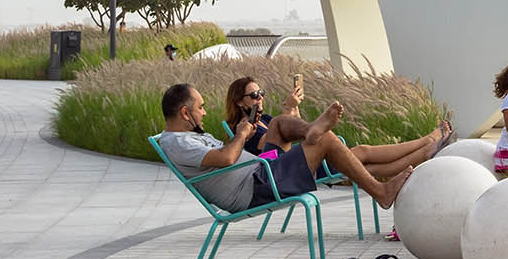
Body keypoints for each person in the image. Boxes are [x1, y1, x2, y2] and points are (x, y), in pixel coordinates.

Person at [155, 82, 414, 214]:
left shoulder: (187, 137)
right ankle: (381, 192)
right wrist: (242, 135)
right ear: (185, 112)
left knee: (278, 122)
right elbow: (225, 158)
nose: (204, 112)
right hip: (256, 187)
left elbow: (225, 156)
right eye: (200, 107)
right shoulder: (179, 143)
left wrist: (244, 135)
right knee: (327, 140)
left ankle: (311, 129)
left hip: (263, 170)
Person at [224, 74, 450, 184]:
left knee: (369, 167)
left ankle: (424, 152)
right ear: (239, 102)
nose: (259, 98)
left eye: (261, 93)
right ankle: (427, 141)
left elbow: (297, 134)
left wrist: (293, 110)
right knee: (361, 151)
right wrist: (288, 111)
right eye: (253, 96)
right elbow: (270, 150)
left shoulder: (267, 118)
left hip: (302, 159)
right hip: (291, 171)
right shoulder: (241, 129)